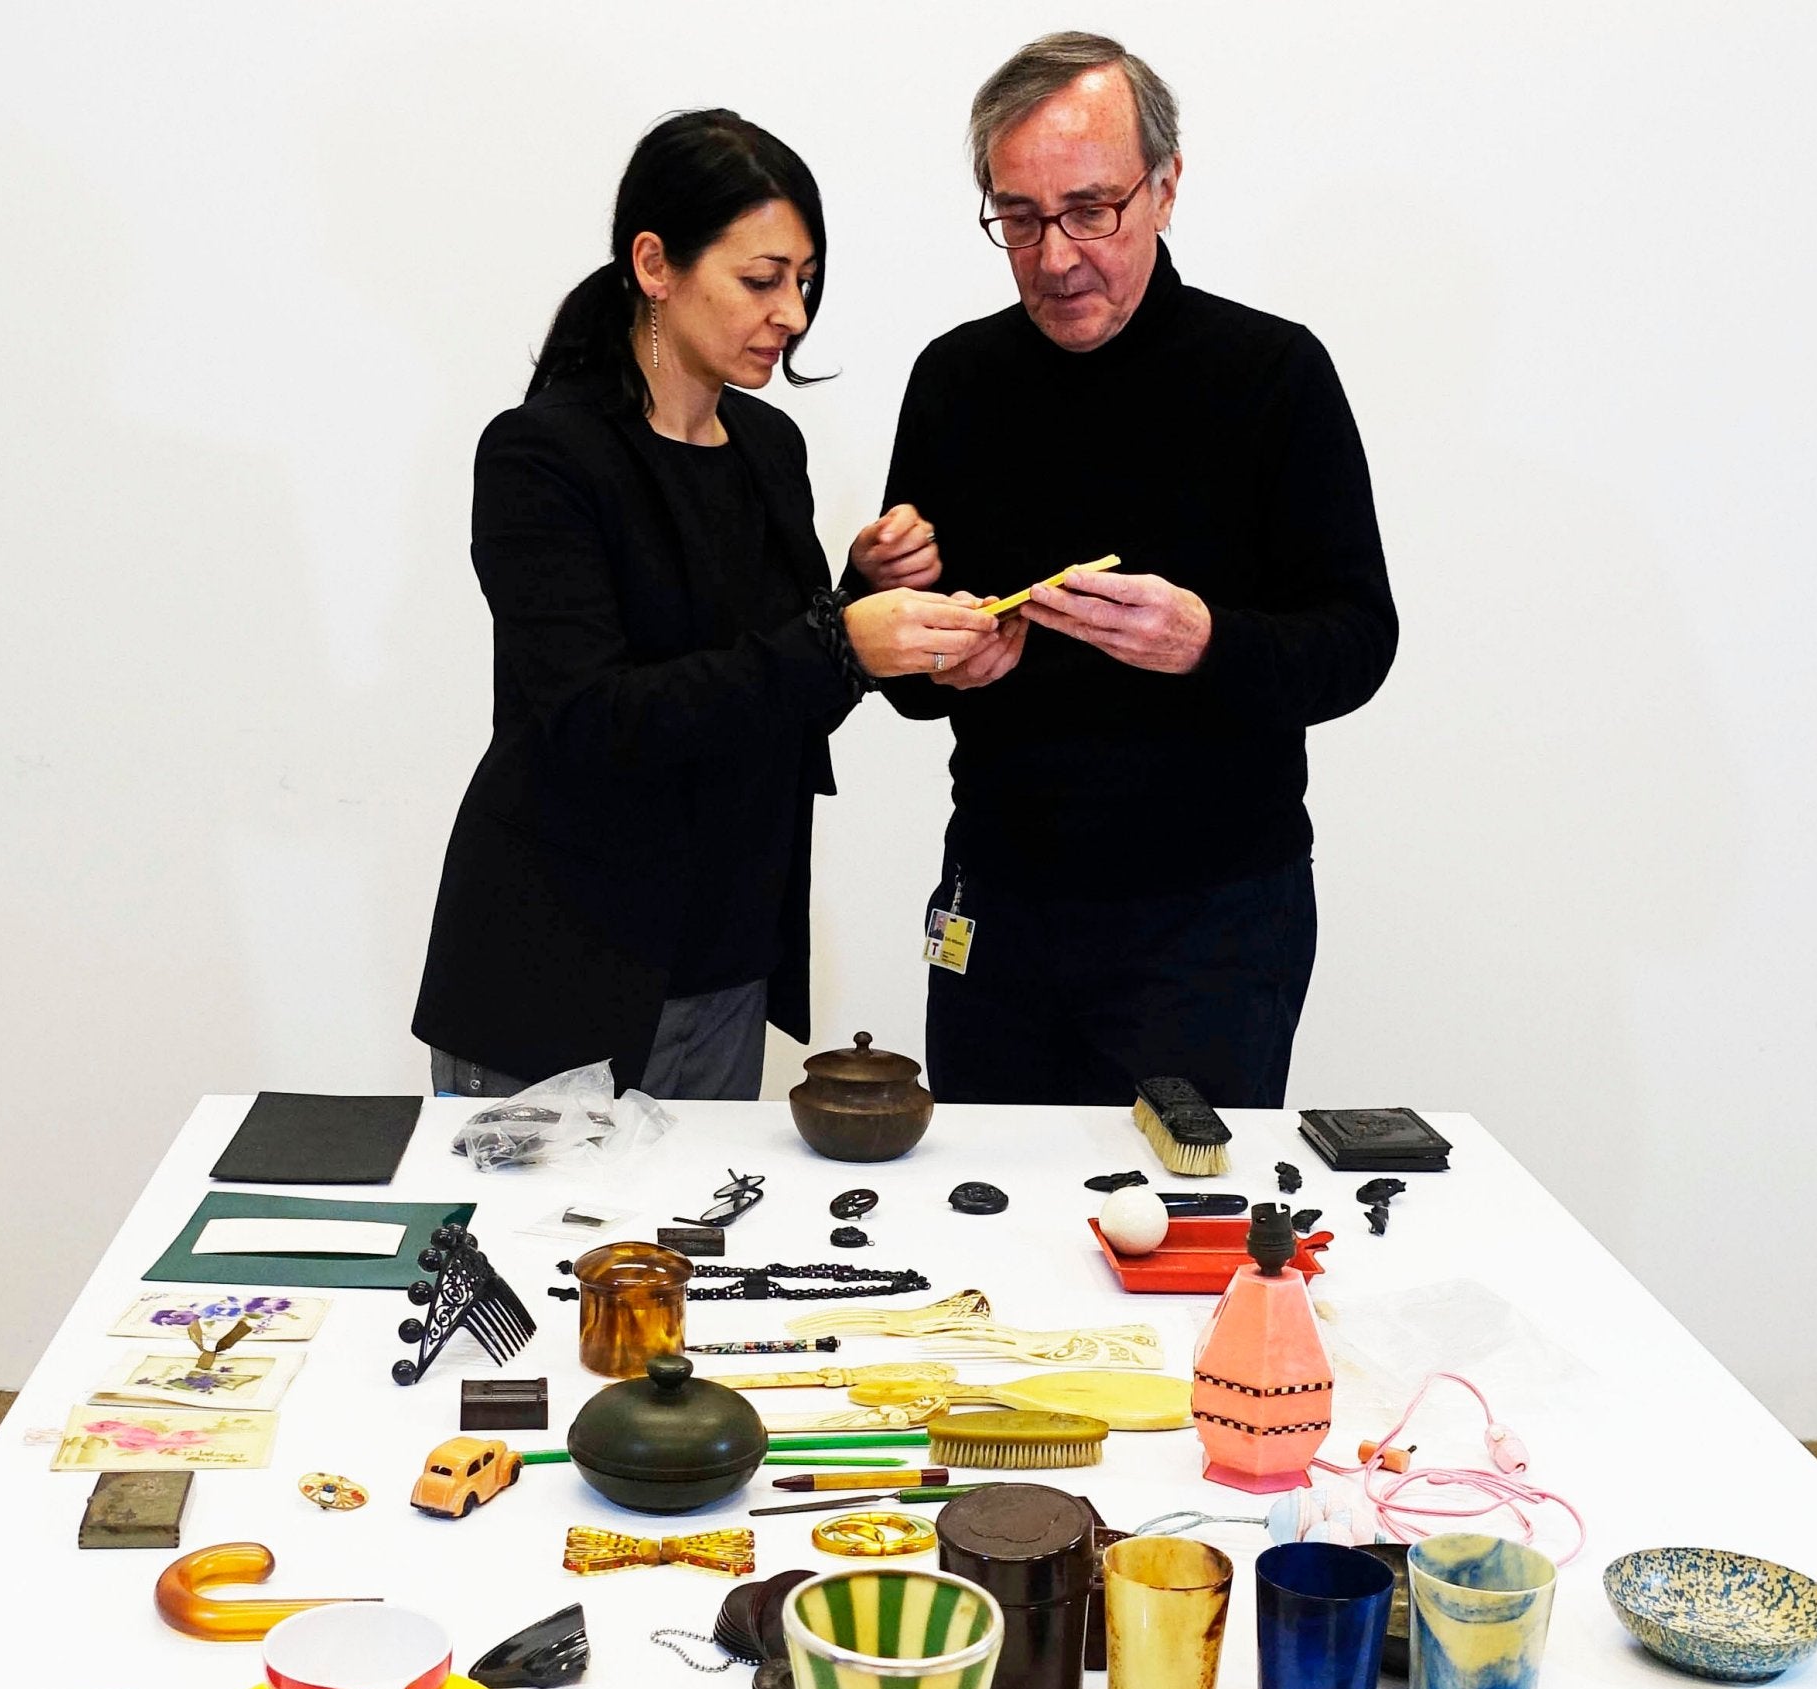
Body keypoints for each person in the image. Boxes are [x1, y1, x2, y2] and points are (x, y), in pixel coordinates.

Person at [859, 32, 1398, 1110]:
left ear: (1164, 187)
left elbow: (1356, 642)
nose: (1055, 256)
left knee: (1178, 1240)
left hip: (1212, 921)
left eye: (1090, 210)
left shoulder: (1271, 375)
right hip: (998, 902)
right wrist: (894, 609)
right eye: (1017, 217)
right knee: (989, 1232)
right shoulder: (956, 379)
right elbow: (908, 685)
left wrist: (1206, 642)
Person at [414, 111, 992, 1098]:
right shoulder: (541, 456)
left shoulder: (769, 449)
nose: (792, 313)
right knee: (533, 1256)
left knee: (703, 1255)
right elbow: (593, 718)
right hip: (557, 966)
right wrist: (841, 639)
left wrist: (866, 593)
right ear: (654, 263)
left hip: (724, 960)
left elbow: (768, 679)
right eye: (761, 280)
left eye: (803, 281)